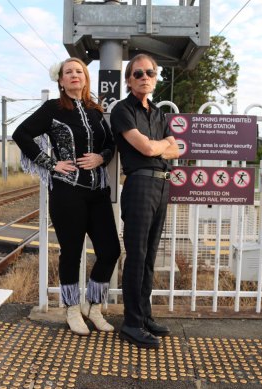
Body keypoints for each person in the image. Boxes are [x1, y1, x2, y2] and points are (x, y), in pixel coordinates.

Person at [13, 57, 121, 336]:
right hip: (66, 192)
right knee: (71, 253)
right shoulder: (52, 109)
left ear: (85, 78)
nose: (74, 75)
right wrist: (51, 163)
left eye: (79, 71)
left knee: (110, 251)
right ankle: (73, 309)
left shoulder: (95, 110)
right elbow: (21, 134)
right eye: (68, 72)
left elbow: (110, 143)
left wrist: (101, 157)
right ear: (60, 81)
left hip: (98, 192)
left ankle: (93, 308)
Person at [110, 53, 180, 349]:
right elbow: (147, 148)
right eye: (137, 73)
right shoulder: (122, 110)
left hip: (162, 186)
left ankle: (145, 314)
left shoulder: (158, 114)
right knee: (137, 255)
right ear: (129, 79)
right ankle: (131, 323)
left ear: (155, 76)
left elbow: (175, 149)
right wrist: (160, 146)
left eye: (149, 72)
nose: (144, 77)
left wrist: (160, 146)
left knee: (151, 255)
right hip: (139, 185)